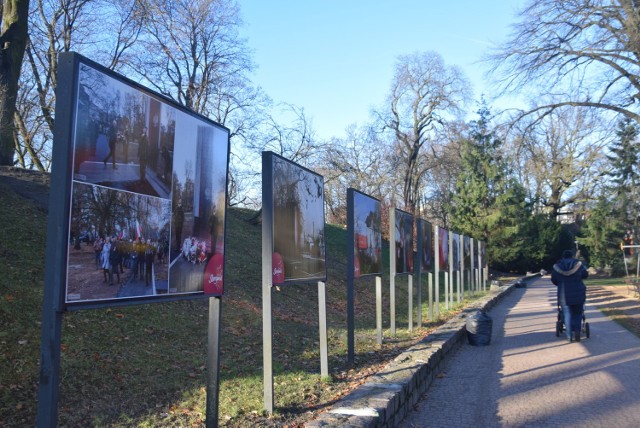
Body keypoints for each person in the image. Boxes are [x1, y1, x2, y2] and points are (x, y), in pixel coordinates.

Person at [551, 249, 588, 342]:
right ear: (572, 256)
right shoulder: (578, 265)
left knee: (567, 314)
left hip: (563, 294)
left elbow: (554, 280)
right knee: (578, 313)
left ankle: (569, 336)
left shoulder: (557, 267)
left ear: (563, 257)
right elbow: (585, 275)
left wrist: (560, 283)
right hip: (578, 293)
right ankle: (577, 333)